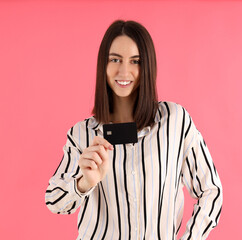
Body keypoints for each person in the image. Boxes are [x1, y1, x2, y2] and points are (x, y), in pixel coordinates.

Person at [45, 20, 223, 240]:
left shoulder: (175, 121)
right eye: (115, 59)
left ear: (147, 66)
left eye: (135, 61)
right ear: (104, 64)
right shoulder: (82, 134)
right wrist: (85, 182)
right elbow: (54, 201)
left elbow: (211, 191)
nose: (124, 71)